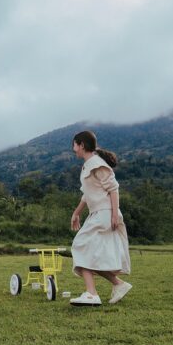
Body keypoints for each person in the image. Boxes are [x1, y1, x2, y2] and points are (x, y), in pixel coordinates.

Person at [68, 131, 132, 306]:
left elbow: (113, 189)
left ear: (81, 145)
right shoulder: (88, 165)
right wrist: (77, 212)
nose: (73, 149)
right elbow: (87, 194)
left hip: (104, 213)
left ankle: (91, 294)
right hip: (96, 214)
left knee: (80, 246)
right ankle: (118, 284)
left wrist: (114, 214)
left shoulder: (97, 164)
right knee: (92, 255)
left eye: (74, 145)